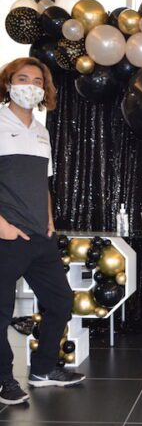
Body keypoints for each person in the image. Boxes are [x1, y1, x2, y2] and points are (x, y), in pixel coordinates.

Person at [0, 57, 85, 405]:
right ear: (8, 83)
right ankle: (4, 379)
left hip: (40, 236)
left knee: (61, 302)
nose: (30, 86)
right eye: (23, 79)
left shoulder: (41, 130)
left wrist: (49, 220)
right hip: (6, 236)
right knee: (0, 314)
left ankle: (43, 369)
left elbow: (43, 183)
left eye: (37, 81)